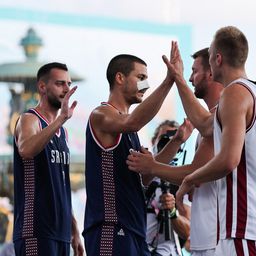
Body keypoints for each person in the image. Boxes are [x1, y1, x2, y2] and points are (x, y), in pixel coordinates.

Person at [82, 52, 192, 256]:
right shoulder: (102, 114)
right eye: (141, 78)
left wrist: (176, 141)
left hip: (134, 231)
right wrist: (170, 80)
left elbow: (147, 174)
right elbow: (133, 121)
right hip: (111, 228)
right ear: (120, 78)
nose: (146, 85)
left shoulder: (130, 130)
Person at [126, 47, 224, 255]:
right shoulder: (214, 122)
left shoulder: (219, 120)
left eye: (194, 71)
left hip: (217, 238)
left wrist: (153, 166)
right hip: (209, 236)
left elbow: (197, 173)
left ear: (211, 73)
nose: (189, 78)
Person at [169, 27, 256, 255]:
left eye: (209, 58)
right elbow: (206, 125)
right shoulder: (249, 93)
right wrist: (178, 78)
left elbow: (228, 160)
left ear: (218, 59)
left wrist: (189, 178)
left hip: (243, 228)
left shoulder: (234, 93)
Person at [13, 62, 84, 256]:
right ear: (42, 87)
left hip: (60, 232)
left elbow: (62, 184)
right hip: (35, 229)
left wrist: (74, 230)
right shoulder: (30, 119)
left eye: (68, 84)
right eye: (60, 83)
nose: (67, 89)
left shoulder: (63, 132)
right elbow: (26, 150)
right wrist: (61, 119)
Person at [146, 120, 191, 256]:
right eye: (164, 140)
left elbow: (187, 230)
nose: (168, 145)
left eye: (174, 141)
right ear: (153, 141)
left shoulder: (182, 182)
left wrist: (172, 212)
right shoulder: (140, 175)